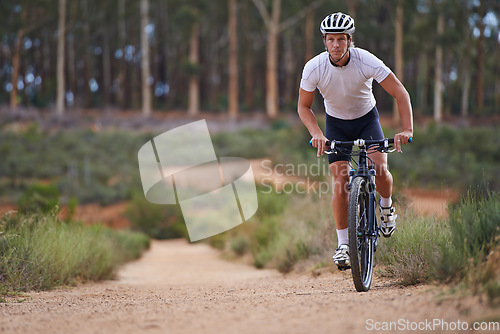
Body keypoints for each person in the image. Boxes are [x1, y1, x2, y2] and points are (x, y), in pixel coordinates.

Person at [297, 12, 413, 269]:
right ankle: (343, 246)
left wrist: (406, 129)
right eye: (331, 40)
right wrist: (317, 134)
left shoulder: (366, 60)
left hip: (366, 120)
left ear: (350, 40)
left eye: (341, 39)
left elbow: (400, 93)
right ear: (324, 41)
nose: (336, 45)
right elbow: (304, 107)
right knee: (340, 182)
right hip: (336, 125)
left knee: (380, 169)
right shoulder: (314, 67)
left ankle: (385, 208)